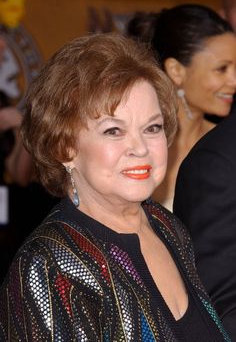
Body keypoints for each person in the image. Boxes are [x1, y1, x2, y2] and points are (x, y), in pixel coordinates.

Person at [0, 33, 230, 341]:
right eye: (113, 131)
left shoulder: (168, 227)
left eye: (152, 127)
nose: (140, 148)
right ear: (66, 147)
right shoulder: (47, 267)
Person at [127, 4, 236, 211]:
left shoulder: (228, 146)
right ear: (176, 71)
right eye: (222, 69)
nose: (234, 81)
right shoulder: (140, 145)